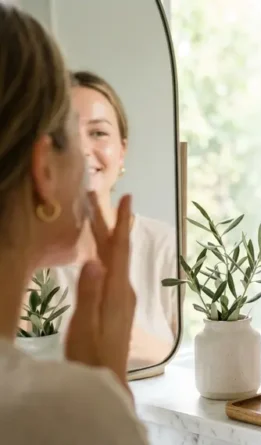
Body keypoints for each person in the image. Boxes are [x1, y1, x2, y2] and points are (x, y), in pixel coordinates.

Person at [0, 4, 149, 444]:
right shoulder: (62, 413)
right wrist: (104, 387)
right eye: (72, 132)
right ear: (44, 169)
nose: (86, 157)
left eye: (98, 134)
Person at [50, 70, 179, 369]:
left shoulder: (163, 246)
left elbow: (189, 367)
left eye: (98, 133)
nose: (83, 149)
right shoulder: (26, 259)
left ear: (122, 151)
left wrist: (151, 348)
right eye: (65, 134)